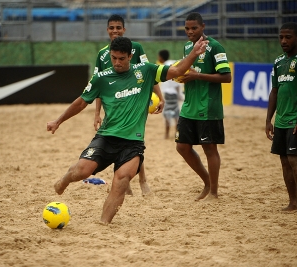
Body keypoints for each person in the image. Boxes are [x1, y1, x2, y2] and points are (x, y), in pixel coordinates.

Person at [47, 36, 208, 224]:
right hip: (106, 137)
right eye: (113, 58)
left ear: (130, 56)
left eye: (121, 58)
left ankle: (103, 223)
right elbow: (82, 102)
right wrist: (58, 121)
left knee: (122, 179)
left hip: (133, 142)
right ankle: (65, 180)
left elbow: (178, 70)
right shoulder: (101, 78)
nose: (117, 62)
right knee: (83, 171)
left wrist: (194, 54)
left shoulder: (146, 70)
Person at [92, 14, 165, 196]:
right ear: (107, 30)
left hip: (134, 102)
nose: (115, 31)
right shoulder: (102, 55)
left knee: (133, 143)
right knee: (114, 141)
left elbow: (150, 74)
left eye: (118, 27)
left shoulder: (136, 48)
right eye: (111, 28)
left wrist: (160, 97)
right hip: (112, 105)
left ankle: (142, 180)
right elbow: (98, 86)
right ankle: (125, 183)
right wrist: (96, 113)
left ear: (124, 29)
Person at [174, 12, 231, 201]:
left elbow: (226, 77)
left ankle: (213, 192)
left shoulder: (215, 47)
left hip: (208, 106)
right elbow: (188, 71)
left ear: (203, 27)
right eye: (187, 28)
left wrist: (197, 76)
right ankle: (207, 182)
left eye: (194, 28)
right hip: (189, 105)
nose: (190, 32)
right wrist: (182, 76)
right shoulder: (187, 47)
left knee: (209, 149)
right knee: (182, 147)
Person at [265, 22, 297, 215]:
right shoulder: (278, 62)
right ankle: (293, 202)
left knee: (295, 159)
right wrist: (268, 120)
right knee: (284, 161)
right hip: (280, 120)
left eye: (288, 37)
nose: (283, 41)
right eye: (281, 37)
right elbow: (274, 92)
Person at [157, 49, 184, 139]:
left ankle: (166, 135)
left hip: (168, 94)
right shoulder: (172, 63)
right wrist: (179, 93)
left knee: (167, 114)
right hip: (174, 94)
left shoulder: (165, 66)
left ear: (161, 57)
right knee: (176, 114)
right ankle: (177, 135)